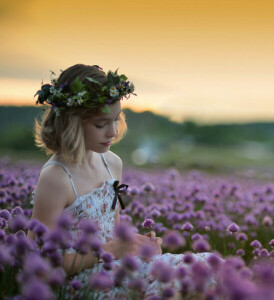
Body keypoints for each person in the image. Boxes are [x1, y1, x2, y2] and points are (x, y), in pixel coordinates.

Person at [27, 64, 217, 299]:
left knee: (211, 264)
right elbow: (38, 264)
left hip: (116, 268)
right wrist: (111, 250)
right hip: (82, 283)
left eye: (116, 119)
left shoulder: (112, 163)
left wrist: (137, 245)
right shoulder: (56, 178)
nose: (113, 132)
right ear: (71, 122)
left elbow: (114, 234)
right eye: (101, 124)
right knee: (179, 282)